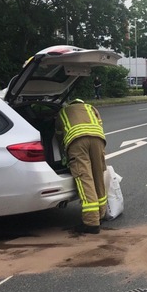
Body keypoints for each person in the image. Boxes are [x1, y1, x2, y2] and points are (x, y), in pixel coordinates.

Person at [56, 99, 107, 234]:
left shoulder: (62, 112)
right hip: (98, 140)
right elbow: (100, 124)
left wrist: (65, 155)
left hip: (77, 142)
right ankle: (101, 214)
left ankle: (91, 222)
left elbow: (59, 136)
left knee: (85, 178)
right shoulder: (90, 108)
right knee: (98, 176)